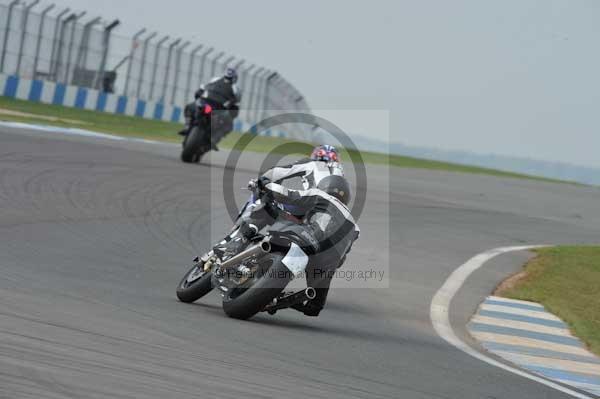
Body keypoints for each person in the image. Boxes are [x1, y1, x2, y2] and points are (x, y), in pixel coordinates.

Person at [252, 174, 360, 317]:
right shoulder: (356, 227)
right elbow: (342, 259)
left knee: (279, 229)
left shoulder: (319, 194)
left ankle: (260, 251)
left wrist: (266, 184)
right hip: (327, 262)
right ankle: (280, 299)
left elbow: (287, 194)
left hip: (307, 239)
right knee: (313, 308)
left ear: (324, 186)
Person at [214, 145, 346, 257]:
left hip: (308, 202)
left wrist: (263, 181)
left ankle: (236, 241)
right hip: (328, 218)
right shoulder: (341, 174)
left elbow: (277, 172)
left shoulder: (313, 163)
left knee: (266, 203)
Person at [180, 67, 241, 149]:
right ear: (234, 78)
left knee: (189, 107)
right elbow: (236, 105)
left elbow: (201, 89)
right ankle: (214, 139)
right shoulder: (236, 88)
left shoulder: (214, 79)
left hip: (206, 104)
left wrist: (199, 95)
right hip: (218, 109)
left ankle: (187, 126)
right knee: (229, 125)